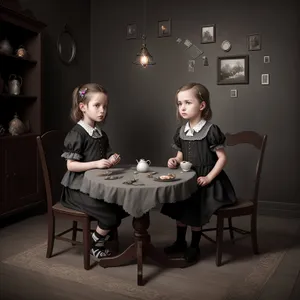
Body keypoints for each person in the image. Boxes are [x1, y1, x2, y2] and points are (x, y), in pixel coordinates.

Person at [161, 82, 237, 263]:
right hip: (187, 178)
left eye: (188, 102)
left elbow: (222, 158)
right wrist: (175, 161)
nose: (183, 107)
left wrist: (209, 177)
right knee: (180, 208)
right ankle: (180, 242)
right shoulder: (181, 131)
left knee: (194, 211)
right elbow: (180, 155)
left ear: (202, 106)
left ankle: (194, 247)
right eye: (180, 104)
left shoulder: (211, 130)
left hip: (207, 181)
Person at [60, 83, 127, 260]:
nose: (102, 110)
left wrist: (113, 158)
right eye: (97, 106)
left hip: (95, 186)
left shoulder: (100, 134)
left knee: (122, 207)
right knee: (110, 216)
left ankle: (100, 239)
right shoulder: (77, 133)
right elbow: (71, 165)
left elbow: (107, 152)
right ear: (83, 107)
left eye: (105, 106)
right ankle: (93, 243)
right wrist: (97, 164)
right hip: (76, 189)